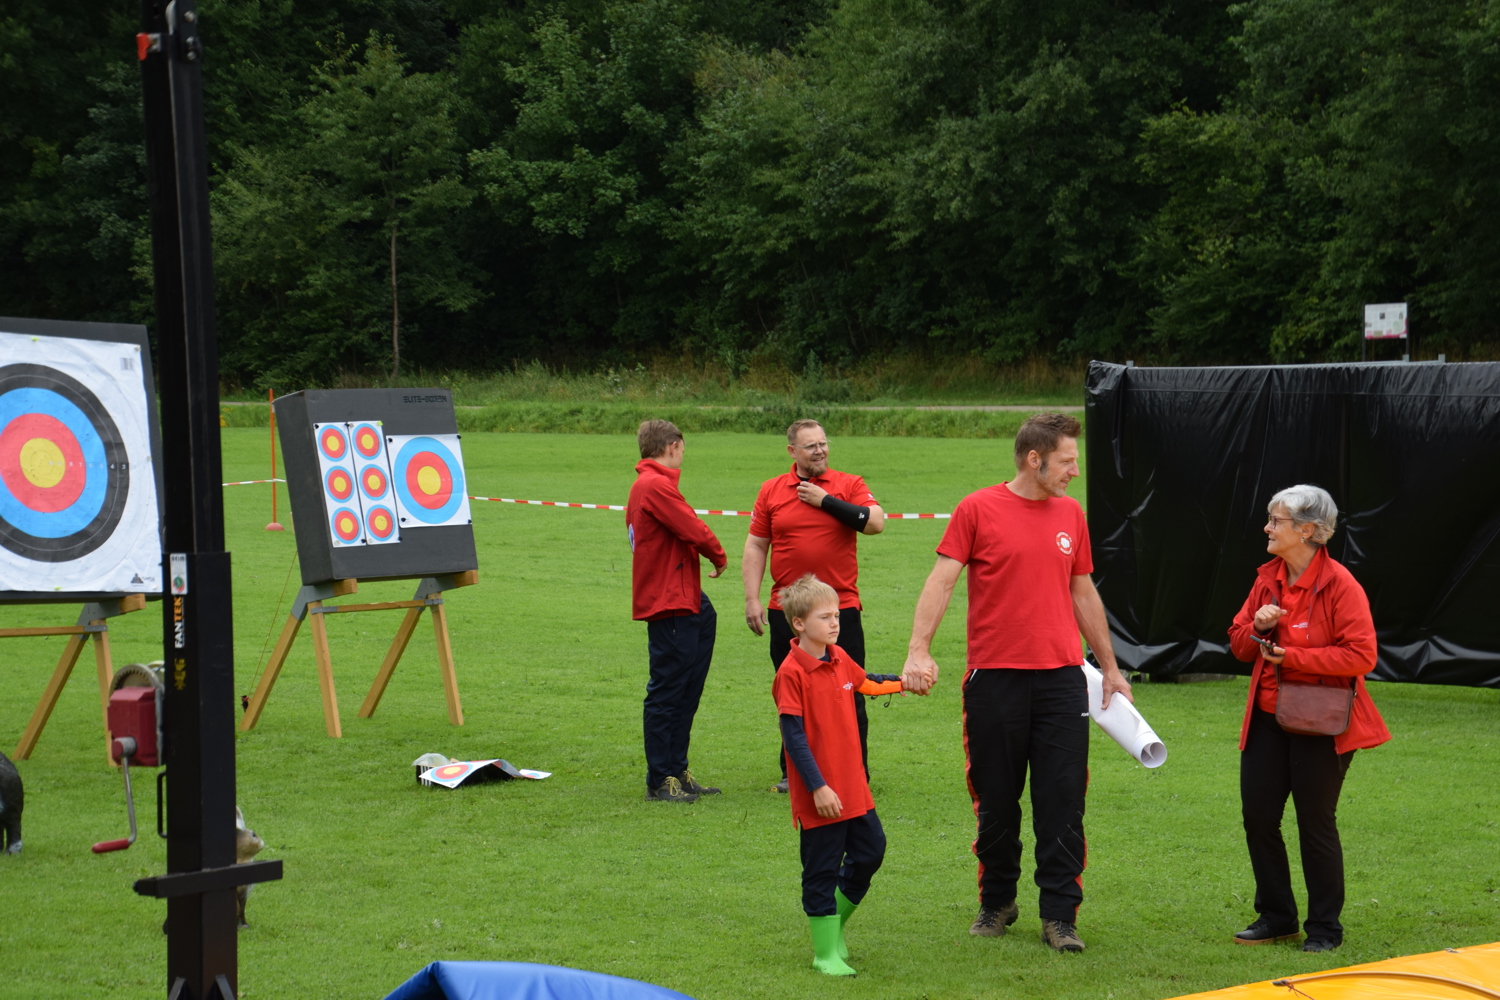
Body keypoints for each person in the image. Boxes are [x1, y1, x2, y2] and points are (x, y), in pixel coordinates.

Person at [901, 412, 1132, 953]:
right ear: (1035, 459)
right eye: (1067, 461)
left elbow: (1083, 591)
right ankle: (997, 902)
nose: (1075, 471)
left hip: (1062, 682)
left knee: (1062, 801)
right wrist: (918, 649)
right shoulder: (976, 509)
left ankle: (1059, 917)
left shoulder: (1071, 514)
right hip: (994, 681)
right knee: (997, 802)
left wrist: (1111, 668)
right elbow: (941, 581)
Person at [1227, 484, 1389, 953]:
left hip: (1322, 722)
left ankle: (1324, 928)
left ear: (1307, 530)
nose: (1267, 528)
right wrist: (1258, 627)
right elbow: (1238, 642)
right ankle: (1277, 917)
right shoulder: (1268, 578)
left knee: (1315, 823)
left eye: (1275, 521)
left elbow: (1361, 656)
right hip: (1267, 717)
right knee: (1258, 817)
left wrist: (1293, 657)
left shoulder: (1341, 584)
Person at [772, 574, 906, 976]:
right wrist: (818, 787)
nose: (835, 623)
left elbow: (866, 684)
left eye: (837, 615)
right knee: (821, 869)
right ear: (799, 623)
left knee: (871, 852)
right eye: (825, 617)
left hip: (854, 788)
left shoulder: (840, 656)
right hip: (822, 795)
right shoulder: (791, 673)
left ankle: (835, 928)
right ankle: (825, 953)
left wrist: (904, 683)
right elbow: (794, 739)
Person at [744, 419, 885, 792]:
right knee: (794, 694)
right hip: (786, 612)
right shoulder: (772, 490)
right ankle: (794, 773)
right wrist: (752, 598)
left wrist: (826, 501)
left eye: (824, 443)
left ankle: (854, 772)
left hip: (841, 610)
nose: (820, 450)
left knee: (849, 691)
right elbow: (756, 544)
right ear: (792, 451)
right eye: (811, 446)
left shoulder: (848, 484)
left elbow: (875, 523)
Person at [627, 420, 728, 803]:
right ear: (672, 446)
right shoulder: (654, 485)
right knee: (668, 689)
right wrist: (718, 555)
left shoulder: (649, 485)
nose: (683, 454)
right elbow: (693, 529)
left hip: (683, 595)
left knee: (687, 686)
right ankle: (660, 778)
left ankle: (677, 768)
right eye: (683, 448)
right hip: (668, 599)